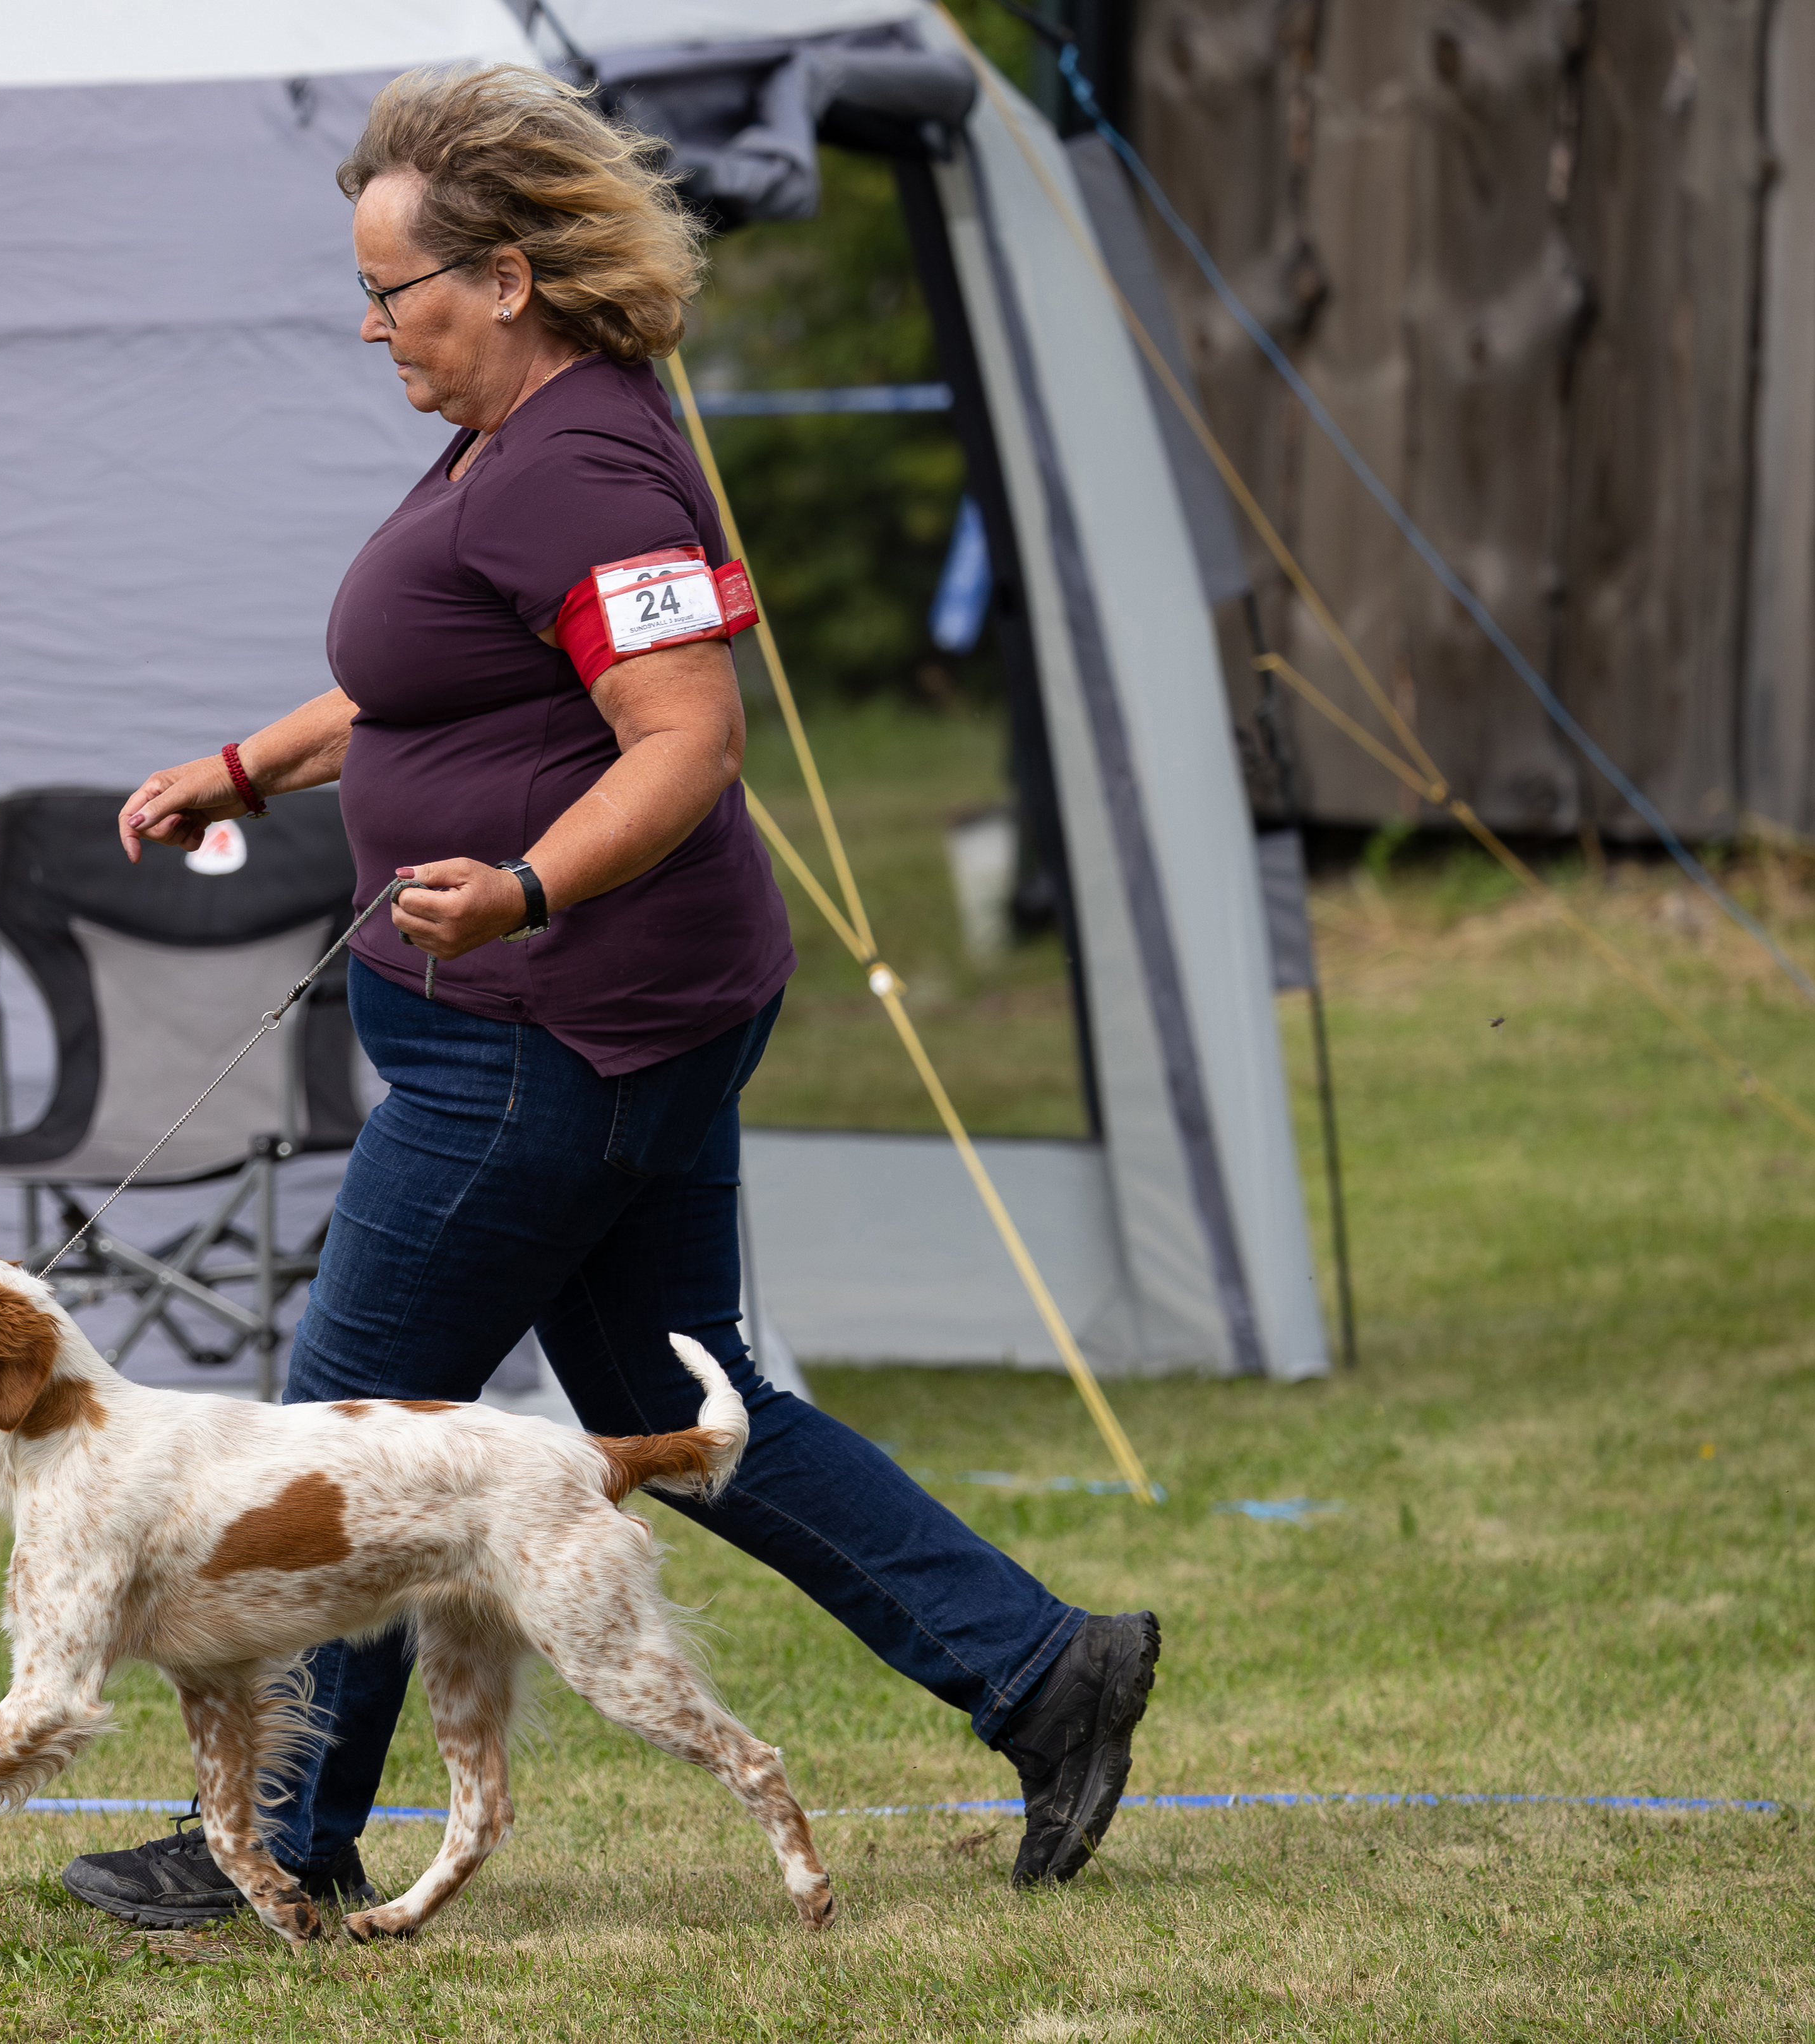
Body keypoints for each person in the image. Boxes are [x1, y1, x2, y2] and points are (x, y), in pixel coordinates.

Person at [61, 66, 1158, 1929]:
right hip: (597, 1029)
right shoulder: (528, 434)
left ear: (503, 278)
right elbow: (429, 679)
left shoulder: (577, 461)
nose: (372, 326)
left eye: (393, 291)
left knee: (352, 1448)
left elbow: (685, 742)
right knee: (674, 1398)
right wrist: (246, 769)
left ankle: (280, 1845)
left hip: (545, 1034)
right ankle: (1042, 1669)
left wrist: (525, 889)